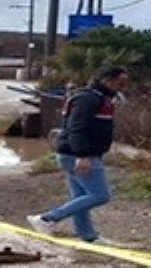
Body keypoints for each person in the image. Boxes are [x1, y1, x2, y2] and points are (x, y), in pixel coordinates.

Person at [27, 66, 130, 243]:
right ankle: (47, 219)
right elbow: (77, 127)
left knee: (80, 197)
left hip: (78, 154)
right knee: (100, 195)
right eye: (119, 83)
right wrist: (82, 156)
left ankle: (88, 237)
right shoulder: (88, 98)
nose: (122, 87)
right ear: (107, 80)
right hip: (79, 155)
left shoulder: (98, 98)